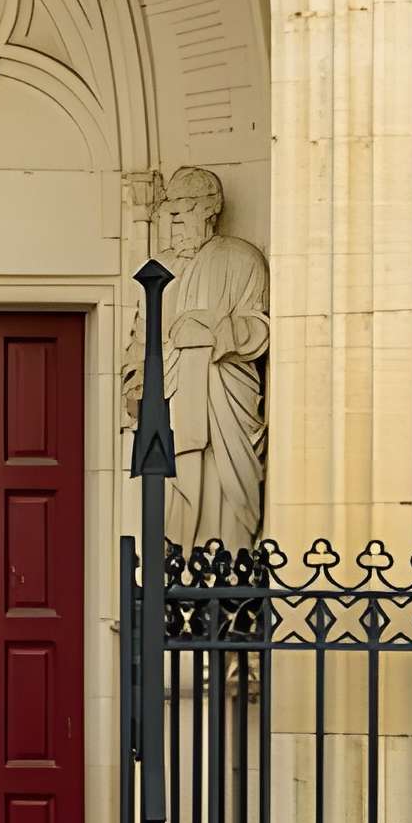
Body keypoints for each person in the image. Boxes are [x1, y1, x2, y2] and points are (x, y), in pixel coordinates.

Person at [123, 164, 269, 555]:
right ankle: (176, 580)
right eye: (169, 212)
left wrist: (215, 332)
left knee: (225, 490)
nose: (173, 222)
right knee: (171, 488)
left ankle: (228, 581)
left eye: (182, 211)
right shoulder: (158, 269)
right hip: (169, 400)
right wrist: (134, 383)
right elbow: (140, 340)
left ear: (209, 210)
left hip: (221, 399)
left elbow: (259, 328)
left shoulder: (241, 259)